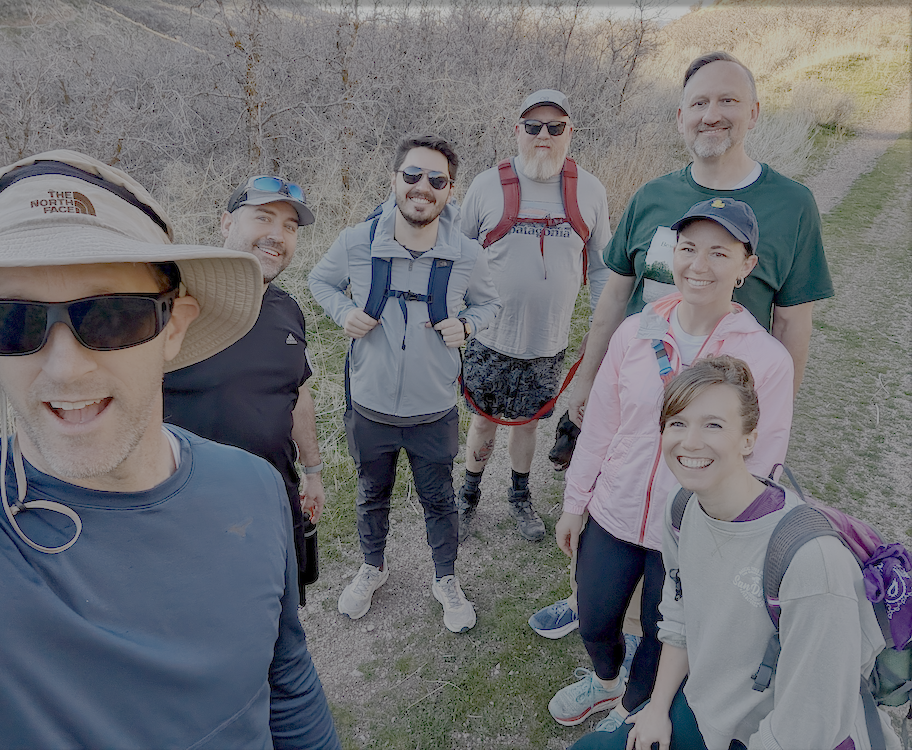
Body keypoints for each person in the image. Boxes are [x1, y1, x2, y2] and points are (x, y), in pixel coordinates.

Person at [0, 150, 340, 749]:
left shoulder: (258, 489)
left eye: (111, 316)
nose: (64, 369)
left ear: (175, 328)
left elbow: (288, 684)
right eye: (9, 321)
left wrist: (311, 469)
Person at [532, 48, 833, 643]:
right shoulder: (652, 196)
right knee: (615, 507)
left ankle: (651, 660)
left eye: (727, 101)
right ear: (680, 115)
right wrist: (590, 380)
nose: (712, 115)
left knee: (680, 553)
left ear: (753, 112)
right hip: (641, 384)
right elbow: (616, 298)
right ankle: (592, 602)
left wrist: (764, 425)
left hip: (713, 413)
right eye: (699, 102)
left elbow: (794, 325)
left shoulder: (791, 204)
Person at [546, 199, 795, 734]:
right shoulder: (636, 330)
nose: (699, 265)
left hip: (690, 530)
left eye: (718, 252)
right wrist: (575, 504)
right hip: (615, 512)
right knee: (593, 619)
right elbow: (601, 426)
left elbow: (766, 457)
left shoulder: (767, 360)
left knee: (667, 636)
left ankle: (632, 707)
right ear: (672, 255)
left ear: (746, 266)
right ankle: (607, 680)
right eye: (688, 249)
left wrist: (735, 540)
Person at [571, 356, 901, 750]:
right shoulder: (683, 508)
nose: (690, 441)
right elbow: (680, 617)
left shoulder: (812, 564)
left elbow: (810, 726)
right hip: (705, 710)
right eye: (677, 423)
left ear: (749, 439)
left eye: (713, 424)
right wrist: (657, 708)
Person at [308, 134, 500, 633]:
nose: (422, 187)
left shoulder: (467, 255)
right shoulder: (355, 242)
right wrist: (344, 311)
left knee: (438, 497)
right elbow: (319, 282)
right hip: (369, 405)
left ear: (450, 191)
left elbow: (490, 305)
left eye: (436, 180)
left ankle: (446, 579)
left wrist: (470, 326)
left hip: (433, 409)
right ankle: (372, 567)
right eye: (412, 175)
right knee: (372, 492)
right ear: (393, 180)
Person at [457, 88, 611, 542]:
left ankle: (520, 497)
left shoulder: (590, 189)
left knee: (527, 424)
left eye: (555, 127)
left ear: (570, 133)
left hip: (548, 342)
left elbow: (604, 267)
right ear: (517, 131)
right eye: (533, 126)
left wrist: (600, 331)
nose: (543, 135)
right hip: (489, 339)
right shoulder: (487, 185)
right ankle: (467, 496)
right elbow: (457, 256)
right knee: (483, 420)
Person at [164, 176, 324, 605]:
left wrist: (312, 472)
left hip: (275, 503)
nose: (278, 235)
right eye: (264, 218)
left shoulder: (288, 310)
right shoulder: (172, 307)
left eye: (290, 227)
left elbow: (298, 393)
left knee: (281, 614)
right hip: (190, 518)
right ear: (226, 223)